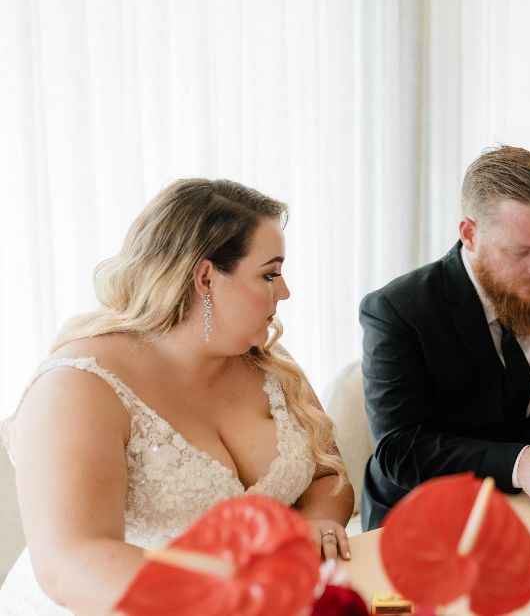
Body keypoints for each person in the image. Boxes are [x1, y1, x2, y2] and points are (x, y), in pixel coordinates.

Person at [0, 179, 354, 615]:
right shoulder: (78, 387)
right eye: (269, 274)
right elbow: (70, 562)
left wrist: (318, 523)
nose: (285, 291)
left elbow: (327, 474)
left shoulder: (269, 362)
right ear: (206, 277)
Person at [359, 146, 530, 530]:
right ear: (470, 233)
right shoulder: (399, 309)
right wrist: (519, 463)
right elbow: (400, 449)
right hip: (425, 521)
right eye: (521, 252)